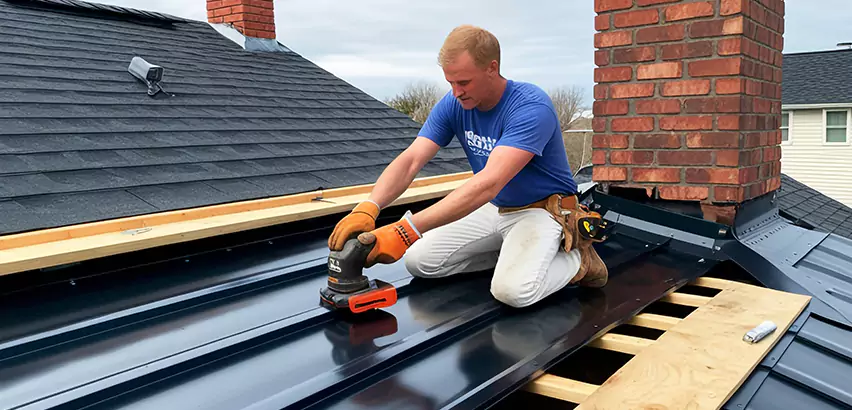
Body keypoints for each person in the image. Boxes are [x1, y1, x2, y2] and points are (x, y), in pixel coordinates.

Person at [327, 24, 608, 308]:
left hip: (542, 210)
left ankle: (578, 261)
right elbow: (412, 159)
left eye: (464, 82)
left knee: (513, 292)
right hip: (496, 208)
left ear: (492, 68)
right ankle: (514, 256)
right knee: (419, 261)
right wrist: (370, 206)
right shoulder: (455, 103)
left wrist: (406, 229)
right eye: (450, 82)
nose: (456, 92)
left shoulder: (530, 108)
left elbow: (489, 182)